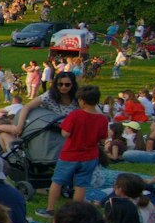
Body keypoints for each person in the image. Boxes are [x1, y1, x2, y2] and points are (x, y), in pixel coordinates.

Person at [45, 84, 108, 214]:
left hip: (70, 155)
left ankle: (50, 209)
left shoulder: (75, 115)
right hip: (90, 156)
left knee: (57, 181)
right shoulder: (102, 118)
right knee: (81, 185)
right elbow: (102, 139)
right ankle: (76, 212)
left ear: (82, 101)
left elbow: (65, 133)